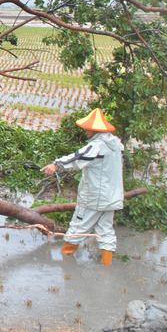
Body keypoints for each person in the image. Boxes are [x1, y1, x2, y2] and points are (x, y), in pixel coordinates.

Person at [41, 108, 124, 266]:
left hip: (94, 197)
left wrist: (56, 165)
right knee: (106, 232)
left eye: (87, 128)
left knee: (77, 227)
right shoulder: (116, 144)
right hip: (111, 198)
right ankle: (107, 268)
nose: (85, 130)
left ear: (94, 129)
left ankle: (67, 266)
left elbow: (77, 158)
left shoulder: (96, 146)